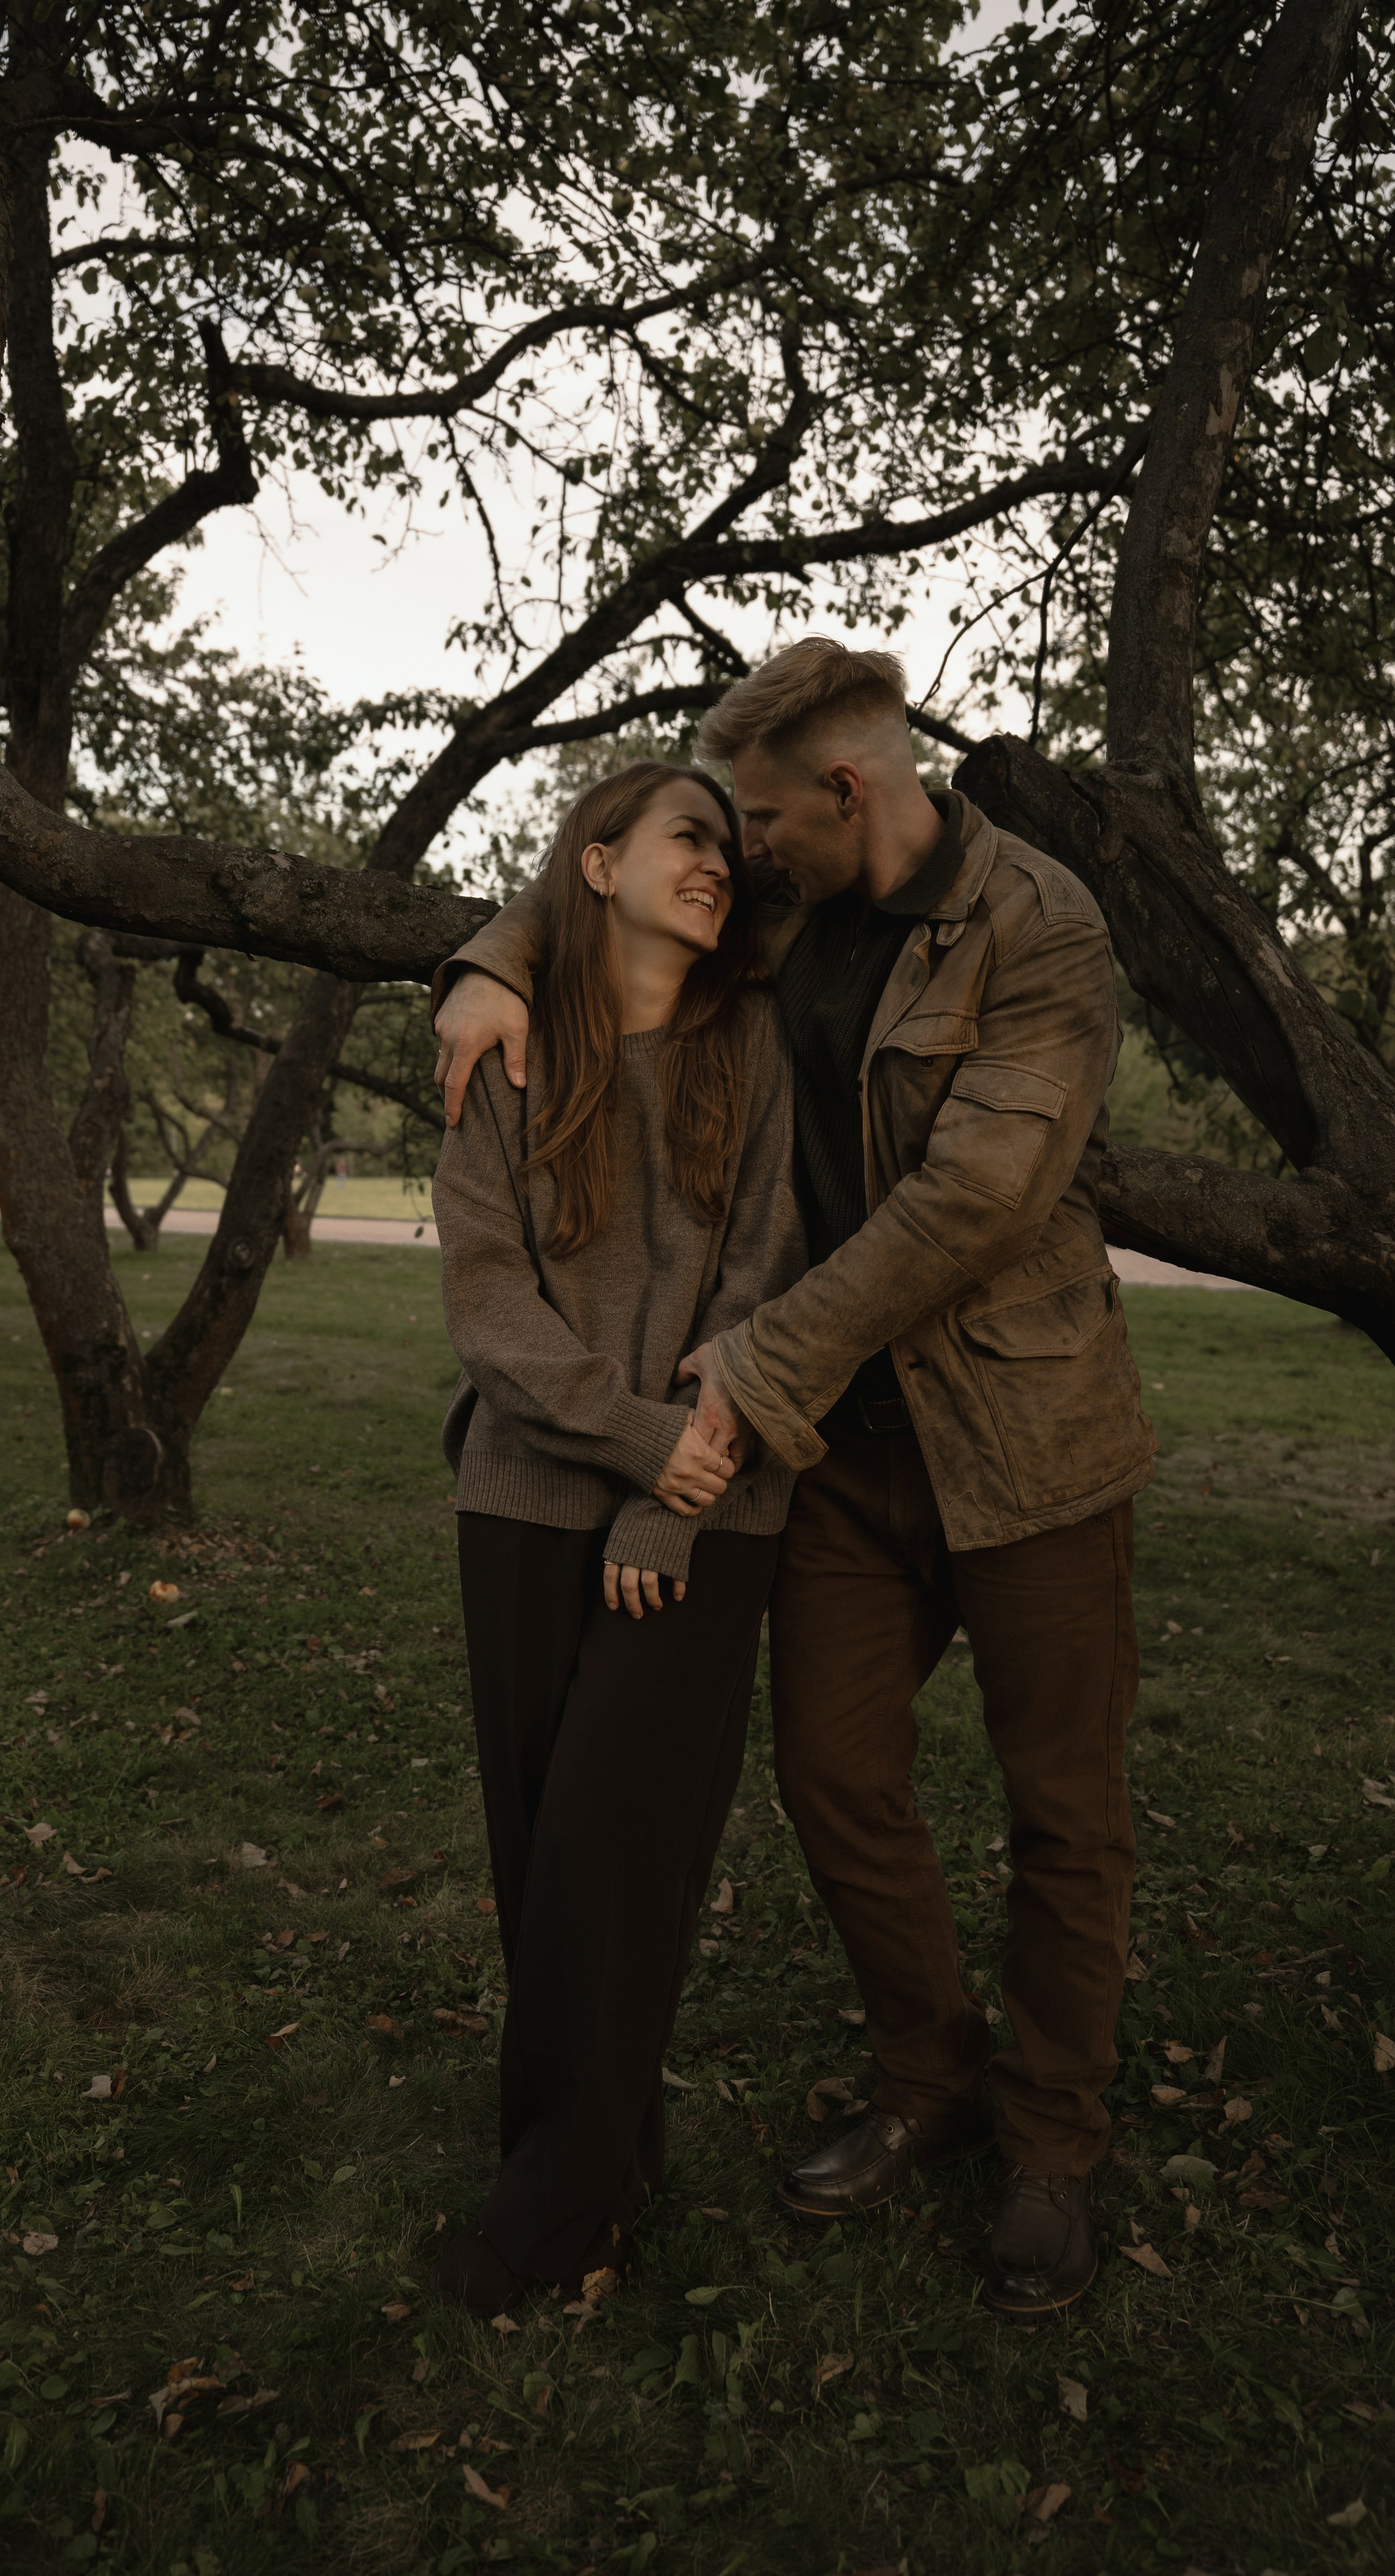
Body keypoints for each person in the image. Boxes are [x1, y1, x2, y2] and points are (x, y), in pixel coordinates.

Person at [432, 639, 1155, 2318]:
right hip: (834, 1459)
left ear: (849, 792)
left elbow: (970, 1199)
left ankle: (1048, 2140)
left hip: (1021, 1435)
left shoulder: (1038, 926)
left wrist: (743, 1378)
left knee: (1062, 1808)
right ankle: (929, 2072)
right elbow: (595, 896)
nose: (741, 851)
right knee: (835, 1783)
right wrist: (478, 958)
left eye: (761, 817)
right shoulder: (782, 909)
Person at [429, 758, 807, 2318]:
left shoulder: (756, 1047)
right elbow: (487, 1306)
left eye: (727, 844)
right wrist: (646, 1442)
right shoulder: (510, 1052)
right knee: (539, 1855)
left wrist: (671, 1493)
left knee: (613, 1849)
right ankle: (590, 2143)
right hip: (519, 1499)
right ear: (592, 865)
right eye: (683, 838)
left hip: (709, 1512)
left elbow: (765, 1281)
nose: (715, 862)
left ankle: (553, 2216)